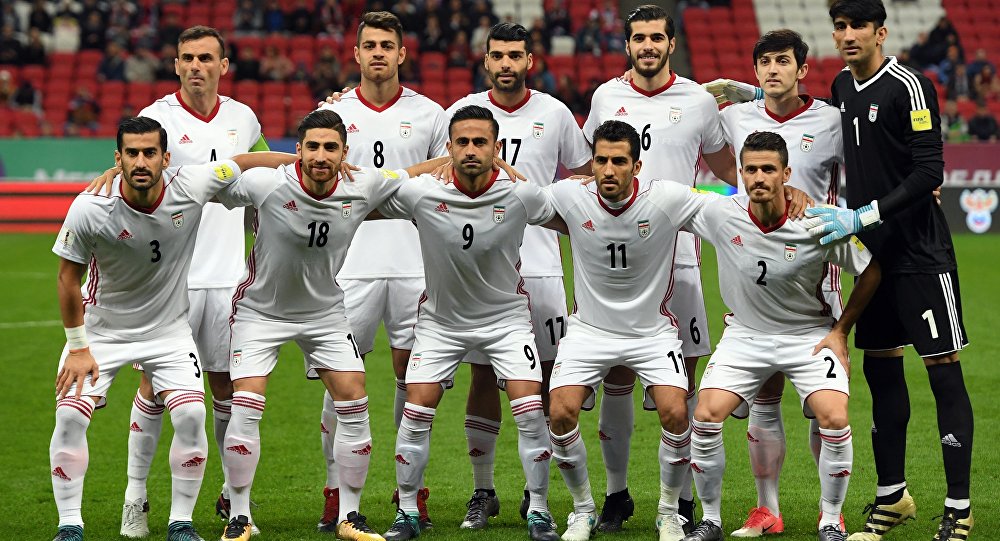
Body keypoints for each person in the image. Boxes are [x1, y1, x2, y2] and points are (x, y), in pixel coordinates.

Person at [49, 116, 290, 541]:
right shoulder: (91, 206)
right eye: (132, 153)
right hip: (102, 334)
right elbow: (68, 279)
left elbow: (244, 161)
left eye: (150, 153)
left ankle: (181, 522)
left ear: (166, 158)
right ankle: (70, 525)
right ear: (118, 158)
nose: (141, 162)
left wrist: (303, 161)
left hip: (169, 334)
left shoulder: (191, 184)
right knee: (69, 416)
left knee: (192, 414)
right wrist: (78, 347)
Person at [216, 109, 449, 541]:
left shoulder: (362, 185)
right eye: (312, 147)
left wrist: (467, 160)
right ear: (298, 150)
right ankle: (240, 516)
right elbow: (218, 177)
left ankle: (349, 515)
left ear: (345, 153)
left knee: (354, 398)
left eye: (330, 148)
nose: (321, 156)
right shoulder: (267, 184)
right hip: (260, 313)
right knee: (246, 402)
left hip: (325, 315)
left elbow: (412, 173)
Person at [803, 2, 974, 540]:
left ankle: (960, 507)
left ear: (880, 32)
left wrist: (865, 214)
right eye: (840, 27)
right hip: (874, 260)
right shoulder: (842, 87)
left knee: (943, 370)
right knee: (881, 371)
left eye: (858, 26)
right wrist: (759, 97)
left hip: (921, 253)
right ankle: (892, 496)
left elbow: (930, 171)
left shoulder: (909, 86)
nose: (848, 35)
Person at [581, 4, 737, 532]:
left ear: (671, 44)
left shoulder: (698, 101)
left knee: (682, 382)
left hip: (680, 257)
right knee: (617, 374)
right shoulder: (606, 97)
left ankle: (684, 499)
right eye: (638, 38)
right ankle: (616, 494)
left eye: (656, 37)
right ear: (627, 44)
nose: (647, 46)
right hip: (617, 259)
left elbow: (728, 171)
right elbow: (589, 168)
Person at [111, 25, 270, 539]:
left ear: (224, 66)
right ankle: (136, 498)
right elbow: (131, 178)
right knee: (154, 389)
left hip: (227, 279)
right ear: (176, 65)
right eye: (187, 58)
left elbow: (262, 172)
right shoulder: (157, 118)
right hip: (168, 282)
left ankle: (232, 497)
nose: (196, 66)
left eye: (205, 57)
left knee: (226, 387)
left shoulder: (243, 118)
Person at [683, 131, 880, 541]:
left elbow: (870, 269)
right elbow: (657, 197)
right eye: (751, 169)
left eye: (769, 169)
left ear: (786, 174)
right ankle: (713, 520)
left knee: (834, 417)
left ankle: (831, 520)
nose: (759, 177)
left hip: (808, 336)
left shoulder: (818, 221)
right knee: (705, 415)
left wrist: (841, 330)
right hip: (746, 335)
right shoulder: (719, 212)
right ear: (740, 173)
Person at [377, 105, 562, 541]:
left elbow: (580, 219)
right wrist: (427, 167)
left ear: (496, 149)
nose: (471, 150)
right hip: (440, 324)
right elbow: (365, 195)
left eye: (481, 142)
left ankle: (539, 510)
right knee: (416, 409)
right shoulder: (422, 192)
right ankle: (407, 513)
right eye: (462, 142)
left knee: (530, 409)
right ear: (449, 147)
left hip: (506, 321)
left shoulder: (521, 194)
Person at [445, 22, 592, 531]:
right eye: (498, 55)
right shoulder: (462, 111)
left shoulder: (555, 113)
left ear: (530, 60)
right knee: (483, 374)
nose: (506, 63)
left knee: (546, 379)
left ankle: (537, 494)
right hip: (481, 269)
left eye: (515, 55)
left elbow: (584, 179)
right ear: (485, 60)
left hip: (542, 265)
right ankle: (483, 490)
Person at [547, 120, 717, 541]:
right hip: (589, 331)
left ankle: (668, 513)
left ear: (636, 165)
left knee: (676, 411)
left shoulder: (666, 198)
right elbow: (515, 198)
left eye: (619, 161)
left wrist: (790, 198)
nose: (608, 170)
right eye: (601, 160)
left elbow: (731, 208)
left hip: (652, 333)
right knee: (560, 412)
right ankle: (583, 511)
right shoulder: (570, 195)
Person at [315, 11, 449, 533]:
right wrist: (395, 184)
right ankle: (335, 492)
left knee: (414, 380)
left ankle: (408, 492)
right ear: (356, 53)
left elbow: (442, 178)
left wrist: (373, 188)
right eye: (369, 45)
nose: (377, 53)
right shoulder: (332, 113)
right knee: (339, 382)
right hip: (348, 267)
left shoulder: (431, 114)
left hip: (415, 263)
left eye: (386, 45)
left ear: (401, 53)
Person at [715, 29, 846, 537]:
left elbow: (860, 173)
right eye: (765, 62)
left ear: (802, 69)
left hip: (815, 278)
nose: (774, 69)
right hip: (756, 272)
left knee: (821, 408)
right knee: (764, 397)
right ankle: (767, 509)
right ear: (755, 71)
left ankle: (829, 511)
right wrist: (738, 92)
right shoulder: (735, 116)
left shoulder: (831, 121)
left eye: (783, 61)